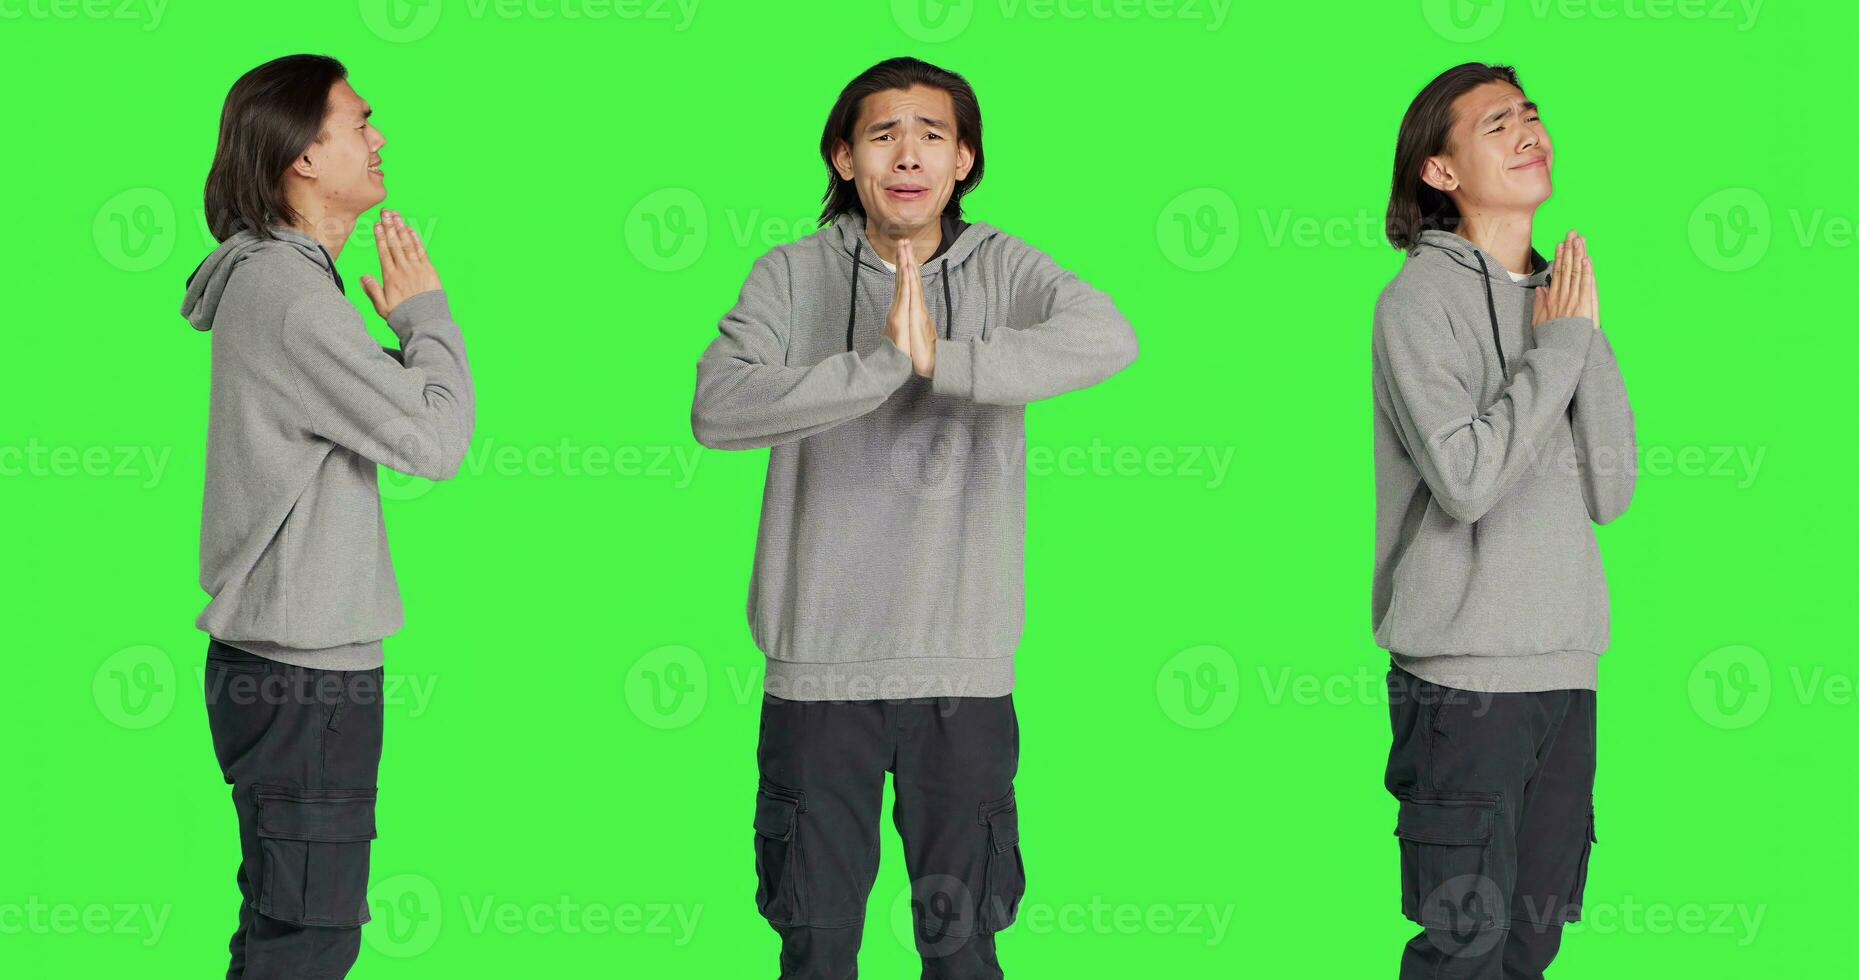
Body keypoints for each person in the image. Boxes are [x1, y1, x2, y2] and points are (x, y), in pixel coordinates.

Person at [691, 56, 1138, 979]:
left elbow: (1108, 338)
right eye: (882, 134)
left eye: (931, 134)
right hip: (816, 677)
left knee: (964, 945)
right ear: (844, 158)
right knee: (815, 948)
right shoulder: (788, 274)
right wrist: (884, 364)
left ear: (964, 159)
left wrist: (948, 359)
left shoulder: (1005, 266)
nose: (907, 154)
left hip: (959, 678)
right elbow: (718, 407)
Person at [180, 53, 474, 979]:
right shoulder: (295, 297)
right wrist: (428, 319)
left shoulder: (281, 286)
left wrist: (397, 349)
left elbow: (372, 410)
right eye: (358, 122)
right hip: (304, 679)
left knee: (285, 927)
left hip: (282, 669)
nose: (377, 138)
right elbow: (437, 442)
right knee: (307, 940)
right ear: (303, 156)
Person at [1371, 63, 1637, 978]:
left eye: (1530, 114)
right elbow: (1467, 480)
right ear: (1440, 173)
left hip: (1565, 674)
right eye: (1495, 124)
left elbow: (1613, 489)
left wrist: (1578, 334)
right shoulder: (1416, 301)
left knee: (1532, 943)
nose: (1528, 129)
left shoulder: (1560, 300)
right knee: (1464, 946)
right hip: (1462, 685)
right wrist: (1560, 346)